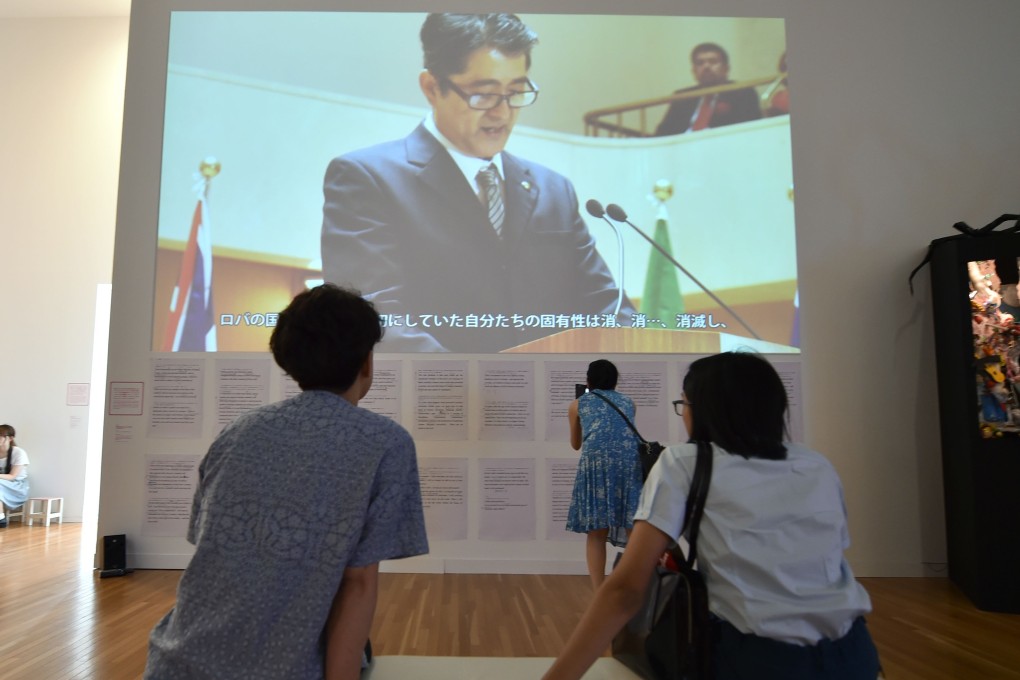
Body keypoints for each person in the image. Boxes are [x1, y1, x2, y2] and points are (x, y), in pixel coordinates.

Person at [144, 284, 429, 680]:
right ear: (366, 362)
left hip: (175, 661)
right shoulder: (386, 443)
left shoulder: (240, 430)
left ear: (289, 359)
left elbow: (206, 541)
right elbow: (358, 584)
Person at [544, 352, 881, 680]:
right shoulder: (816, 464)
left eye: (684, 405)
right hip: (854, 653)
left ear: (705, 409)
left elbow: (625, 591)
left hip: (757, 657)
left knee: (597, 537)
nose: (684, 414)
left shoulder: (684, 462)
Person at [321, 13, 633, 354]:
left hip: (550, 399)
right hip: (438, 399)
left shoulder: (553, 190)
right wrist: (481, 381)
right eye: (484, 94)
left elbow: (608, 307)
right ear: (431, 87)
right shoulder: (367, 179)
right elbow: (374, 317)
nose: (502, 112)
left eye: (516, 92)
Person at [565, 360, 643, 590]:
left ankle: (599, 591)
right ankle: (634, 588)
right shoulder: (629, 402)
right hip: (628, 466)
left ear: (588, 380)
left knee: (596, 533)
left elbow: (576, 444)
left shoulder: (577, 404)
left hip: (596, 467)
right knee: (633, 531)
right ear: (614, 380)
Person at [654, 42, 762, 136]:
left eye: (713, 62)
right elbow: (663, 133)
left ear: (726, 68)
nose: (706, 66)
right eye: (700, 63)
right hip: (683, 150)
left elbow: (749, 131)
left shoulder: (742, 92)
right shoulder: (682, 96)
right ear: (694, 71)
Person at [0, 424, 30, 527]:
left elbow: (12, 476)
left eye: (0, 435)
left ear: (10, 438)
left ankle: (1, 518)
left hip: (18, 486)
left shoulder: (18, 453)